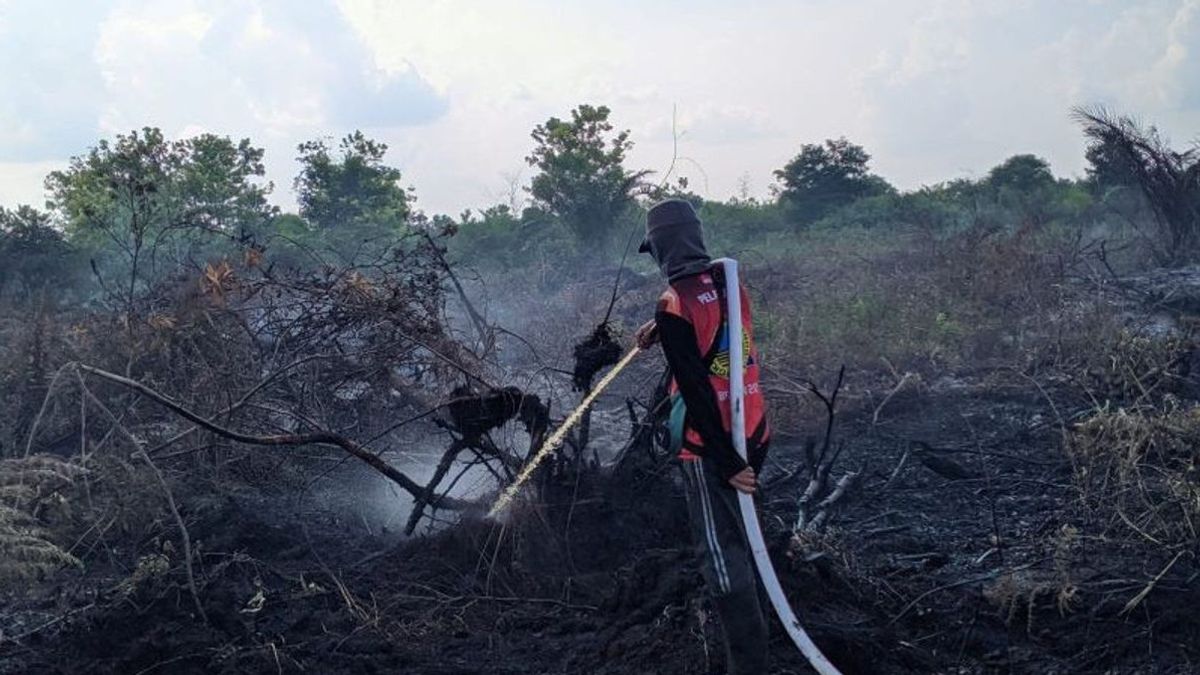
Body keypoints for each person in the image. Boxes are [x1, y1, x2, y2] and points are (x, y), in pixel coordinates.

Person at [634, 198, 771, 675]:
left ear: (661, 249)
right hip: (753, 428)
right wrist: (662, 330)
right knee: (743, 530)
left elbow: (695, 391)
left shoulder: (674, 302)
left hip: (711, 445)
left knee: (721, 553)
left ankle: (749, 665)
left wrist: (726, 461)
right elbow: (717, 326)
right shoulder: (729, 282)